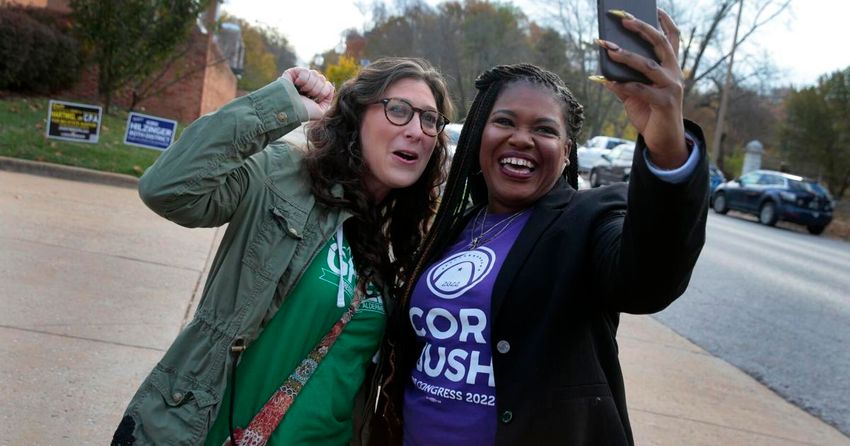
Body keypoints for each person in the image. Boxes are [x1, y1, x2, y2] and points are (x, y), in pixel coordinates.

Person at [381, 10, 708, 446]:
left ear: (567, 152)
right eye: (505, 121)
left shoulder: (586, 221)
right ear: (479, 134)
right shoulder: (452, 230)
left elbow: (648, 279)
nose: (521, 139)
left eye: (544, 130)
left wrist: (665, 140)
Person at [111, 57, 453, 446]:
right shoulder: (285, 177)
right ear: (357, 115)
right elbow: (169, 188)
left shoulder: (406, 244)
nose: (416, 130)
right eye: (398, 110)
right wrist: (282, 103)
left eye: (430, 120)